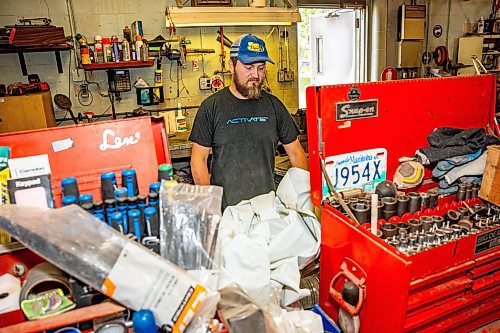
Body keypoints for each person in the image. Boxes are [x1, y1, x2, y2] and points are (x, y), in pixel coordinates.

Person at [189, 33, 308, 209]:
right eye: (249, 67)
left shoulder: (274, 106)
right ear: (231, 65)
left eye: (261, 68)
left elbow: (297, 154)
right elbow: (198, 160)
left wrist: (303, 201)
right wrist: (212, 208)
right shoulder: (211, 107)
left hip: (267, 209)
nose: (256, 75)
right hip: (227, 210)